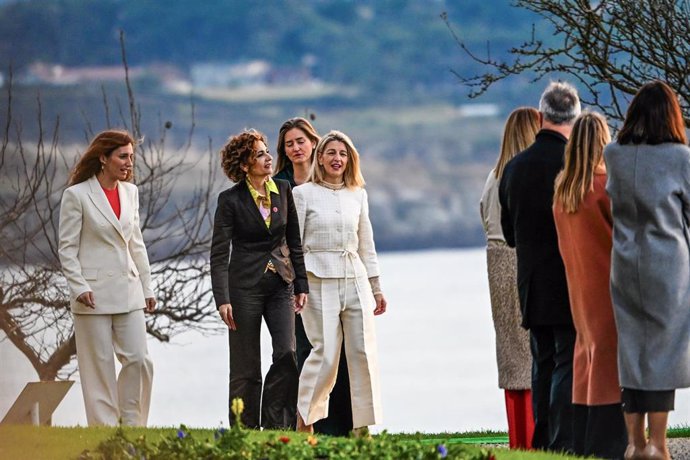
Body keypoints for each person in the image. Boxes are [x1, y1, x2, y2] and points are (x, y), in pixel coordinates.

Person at [605, 80, 690, 460]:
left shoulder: (614, 153)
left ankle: (634, 443)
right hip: (667, 264)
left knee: (632, 348)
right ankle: (658, 444)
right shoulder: (680, 157)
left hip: (624, 262)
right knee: (664, 349)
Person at [498, 81, 581, 452]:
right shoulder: (574, 164)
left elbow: (509, 234)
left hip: (531, 280)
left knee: (542, 361)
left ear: (541, 114)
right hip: (570, 277)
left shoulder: (513, 168)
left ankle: (542, 438)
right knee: (567, 360)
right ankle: (562, 440)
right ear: (575, 116)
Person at [210, 128, 308, 429]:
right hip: (243, 290)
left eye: (267, 152)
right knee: (245, 365)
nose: (268, 158)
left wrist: (301, 284)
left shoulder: (283, 189)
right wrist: (222, 299)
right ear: (244, 164)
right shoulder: (229, 200)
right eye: (259, 154)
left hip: (281, 284)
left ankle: (277, 423)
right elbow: (218, 252)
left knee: (288, 353)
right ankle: (245, 428)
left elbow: (294, 242)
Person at [58, 129, 155, 426]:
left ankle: (133, 427)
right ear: (103, 158)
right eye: (122, 156)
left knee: (140, 360)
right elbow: (67, 248)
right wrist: (79, 287)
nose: (129, 163)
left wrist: (147, 287)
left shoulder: (131, 192)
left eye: (131, 157)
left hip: (129, 290)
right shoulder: (76, 195)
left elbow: (135, 242)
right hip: (92, 296)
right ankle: (104, 432)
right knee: (99, 368)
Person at [293, 130, 387, 435]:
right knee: (325, 354)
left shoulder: (357, 194)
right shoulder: (302, 194)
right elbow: (292, 245)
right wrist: (298, 286)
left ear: (350, 160)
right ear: (319, 157)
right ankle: (305, 421)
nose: (337, 159)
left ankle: (363, 430)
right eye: (331, 152)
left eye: (343, 154)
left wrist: (377, 288)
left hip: (355, 278)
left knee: (362, 353)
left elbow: (366, 244)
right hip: (316, 279)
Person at [552, 112, 627, 459]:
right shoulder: (605, 188)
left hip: (578, 289)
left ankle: (582, 438)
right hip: (609, 285)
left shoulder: (563, 191)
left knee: (586, 357)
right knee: (609, 363)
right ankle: (607, 442)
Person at [274, 117, 353, 436]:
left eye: (300, 141)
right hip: (295, 281)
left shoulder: (332, 182)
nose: (295, 148)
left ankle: (339, 426)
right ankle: (305, 422)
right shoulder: (279, 183)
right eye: (289, 144)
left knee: (341, 353)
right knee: (307, 351)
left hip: (338, 280)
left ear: (314, 144)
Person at [479, 107, 538, 450]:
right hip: (520, 257)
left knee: (510, 352)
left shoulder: (493, 175)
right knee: (531, 351)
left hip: (495, 261)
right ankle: (533, 438)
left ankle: (518, 438)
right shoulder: (526, 175)